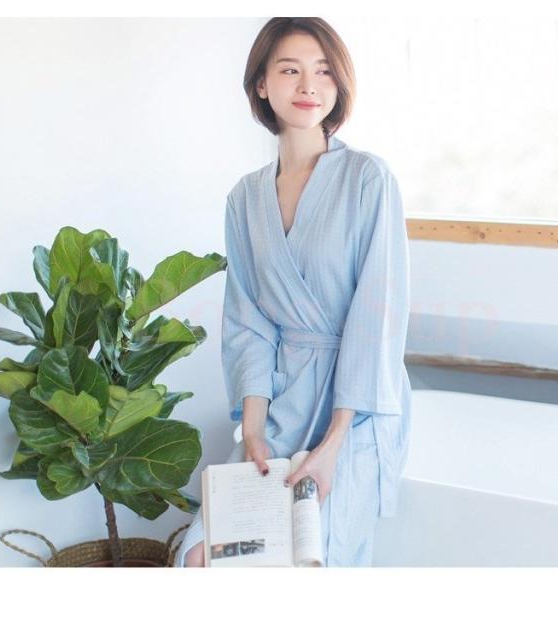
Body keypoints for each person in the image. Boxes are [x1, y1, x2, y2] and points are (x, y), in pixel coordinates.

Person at [174, 16, 411, 568]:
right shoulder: (244, 198)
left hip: (356, 410)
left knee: (310, 556)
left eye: (324, 71)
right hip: (280, 401)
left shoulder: (368, 179)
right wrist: (253, 432)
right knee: (201, 556)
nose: (309, 86)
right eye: (290, 70)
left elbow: (375, 320)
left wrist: (332, 446)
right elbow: (248, 321)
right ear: (262, 84)